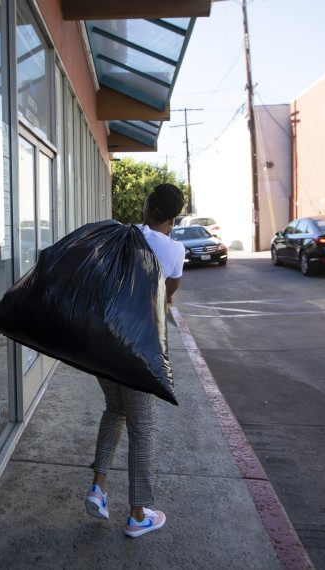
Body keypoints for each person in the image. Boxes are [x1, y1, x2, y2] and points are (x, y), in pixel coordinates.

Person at [84, 183, 186, 538]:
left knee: (114, 410)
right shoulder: (174, 250)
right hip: (139, 347)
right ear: (173, 218)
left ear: (146, 208)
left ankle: (97, 488)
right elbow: (167, 296)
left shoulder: (121, 235)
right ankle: (138, 514)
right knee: (142, 428)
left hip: (103, 341)